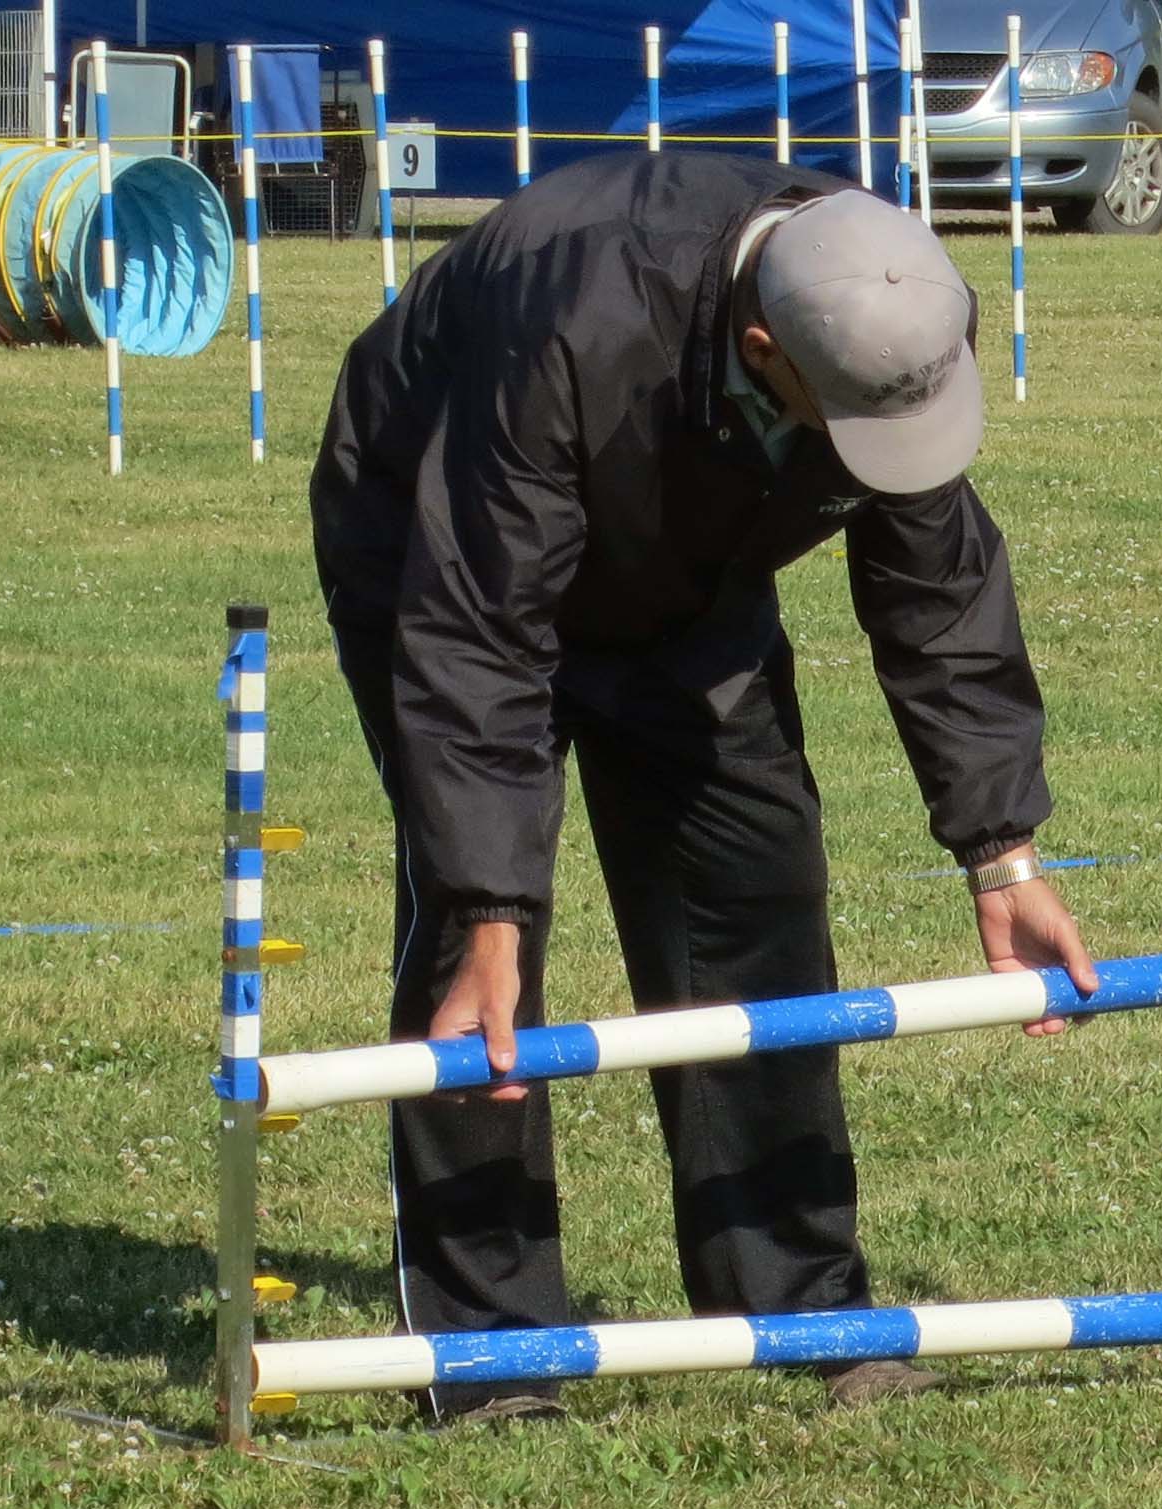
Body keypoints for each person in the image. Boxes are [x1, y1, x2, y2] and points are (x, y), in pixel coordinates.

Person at [310, 151, 1096, 1420]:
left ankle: (797, 1305)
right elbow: (481, 637)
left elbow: (938, 587)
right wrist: (492, 902)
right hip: (437, 537)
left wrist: (1000, 851)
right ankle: (489, 1353)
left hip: (683, 564)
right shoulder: (568, 323)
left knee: (755, 880)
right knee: (477, 963)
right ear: (763, 347)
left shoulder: (880, 308)